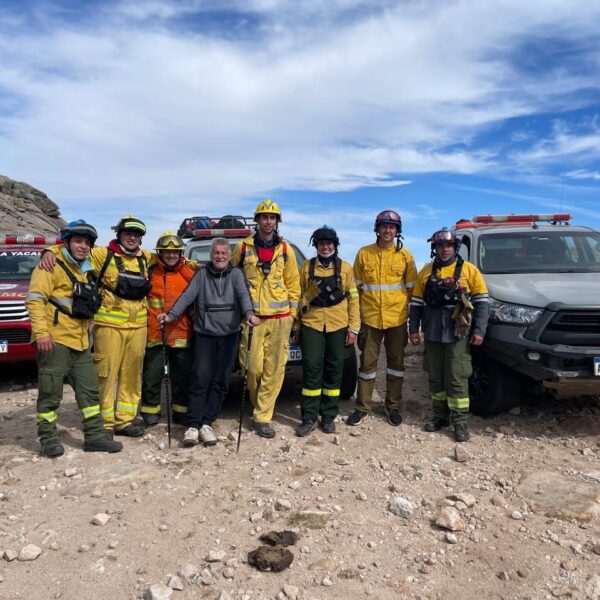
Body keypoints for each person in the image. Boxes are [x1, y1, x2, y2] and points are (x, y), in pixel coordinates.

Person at [39, 215, 155, 438]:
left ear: (141, 239)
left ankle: (125, 420)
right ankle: (104, 423)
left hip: (138, 327)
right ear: (119, 234)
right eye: (128, 233)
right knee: (105, 374)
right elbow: (72, 252)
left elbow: (171, 259)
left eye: (137, 235)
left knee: (132, 375)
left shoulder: (146, 258)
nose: (132, 238)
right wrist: (48, 251)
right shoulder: (102, 254)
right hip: (108, 326)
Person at [25, 220, 123, 457]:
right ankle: (48, 439)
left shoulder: (86, 268)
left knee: (89, 391)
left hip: (80, 342)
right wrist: (41, 333)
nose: (83, 246)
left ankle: (94, 436)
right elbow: (35, 300)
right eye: (78, 241)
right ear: (66, 241)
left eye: (87, 242)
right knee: (51, 392)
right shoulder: (50, 265)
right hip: (55, 340)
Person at [159, 238, 260, 446]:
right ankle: (193, 426)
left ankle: (207, 424)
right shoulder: (202, 275)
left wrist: (250, 314)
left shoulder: (236, 275)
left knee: (220, 381)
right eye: (216, 253)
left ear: (229, 255)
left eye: (224, 253)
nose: (220, 256)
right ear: (211, 255)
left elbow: (244, 296)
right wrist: (170, 316)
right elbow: (187, 297)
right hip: (204, 335)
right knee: (200, 378)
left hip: (230, 335)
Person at [408, 228, 489, 442]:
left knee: (456, 378)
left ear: (455, 247)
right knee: (435, 377)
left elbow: (482, 303)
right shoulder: (425, 272)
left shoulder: (470, 271)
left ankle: (460, 422)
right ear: (435, 248)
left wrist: (479, 330)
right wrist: (413, 329)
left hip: (457, 333)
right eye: (440, 246)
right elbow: (416, 304)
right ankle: (440, 416)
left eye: (449, 246)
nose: (445, 250)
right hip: (433, 332)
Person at [230, 199, 300, 439]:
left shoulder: (285, 250)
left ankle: (262, 416)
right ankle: (258, 401)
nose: (268, 221)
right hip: (253, 320)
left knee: (274, 370)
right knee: (252, 369)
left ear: (277, 221)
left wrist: (292, 316)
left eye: (272, 217)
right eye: (264, 217)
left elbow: (293, 285)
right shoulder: (242, 248)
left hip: (281, 319)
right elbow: (229, 276)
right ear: (257, 220)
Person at [348, 209, 418, 427]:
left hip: (397, 320)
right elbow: (355, 290)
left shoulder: (405, 255)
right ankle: (362, 407)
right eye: (384, 226)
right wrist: (355, 320)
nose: (388, 230)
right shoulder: (363, 254)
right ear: (377, 229)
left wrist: (409, 318)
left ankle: (393, 406)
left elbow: (412, 290)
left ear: (397, 231)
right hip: (369, 320)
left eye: (392, 227)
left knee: (396, 365)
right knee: (367, 366)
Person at [295, 226, 360, 437]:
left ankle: (329, 416)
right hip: (311, 324)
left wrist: (354, 329)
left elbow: (353, 300)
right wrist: (296, 326)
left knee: (334, 370)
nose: (326, 246)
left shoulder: (346, 269)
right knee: (312, 369)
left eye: (329, 243)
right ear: (316, 245)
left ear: (335, 245)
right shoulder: (306, 267)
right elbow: (298, 298)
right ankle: (309, 417)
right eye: (321, 243)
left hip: (338, 325)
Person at [140, 232, 196, 427]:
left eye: (175, 252)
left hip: (180, 331)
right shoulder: (150, 271)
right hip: (155, 331)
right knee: (152, 375)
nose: (171, 255)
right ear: (160, 253)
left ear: (181, 253)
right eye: (167, 252)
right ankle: (150, 411)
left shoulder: (189, 272)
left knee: (181, 376)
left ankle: (180, 412)